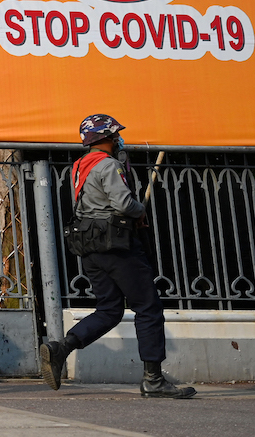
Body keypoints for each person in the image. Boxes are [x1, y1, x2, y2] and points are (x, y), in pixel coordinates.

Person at [39, 114, 195, 399]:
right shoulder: (108, 165)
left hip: (89, 247)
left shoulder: (79, 165)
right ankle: (153, 380)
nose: (119, 139)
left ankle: (62, 348)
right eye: (116, 135)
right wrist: (140, 211)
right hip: (117, 246)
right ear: (108, 137)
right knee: (148, 307)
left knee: (109, 309)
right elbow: (122, 203)